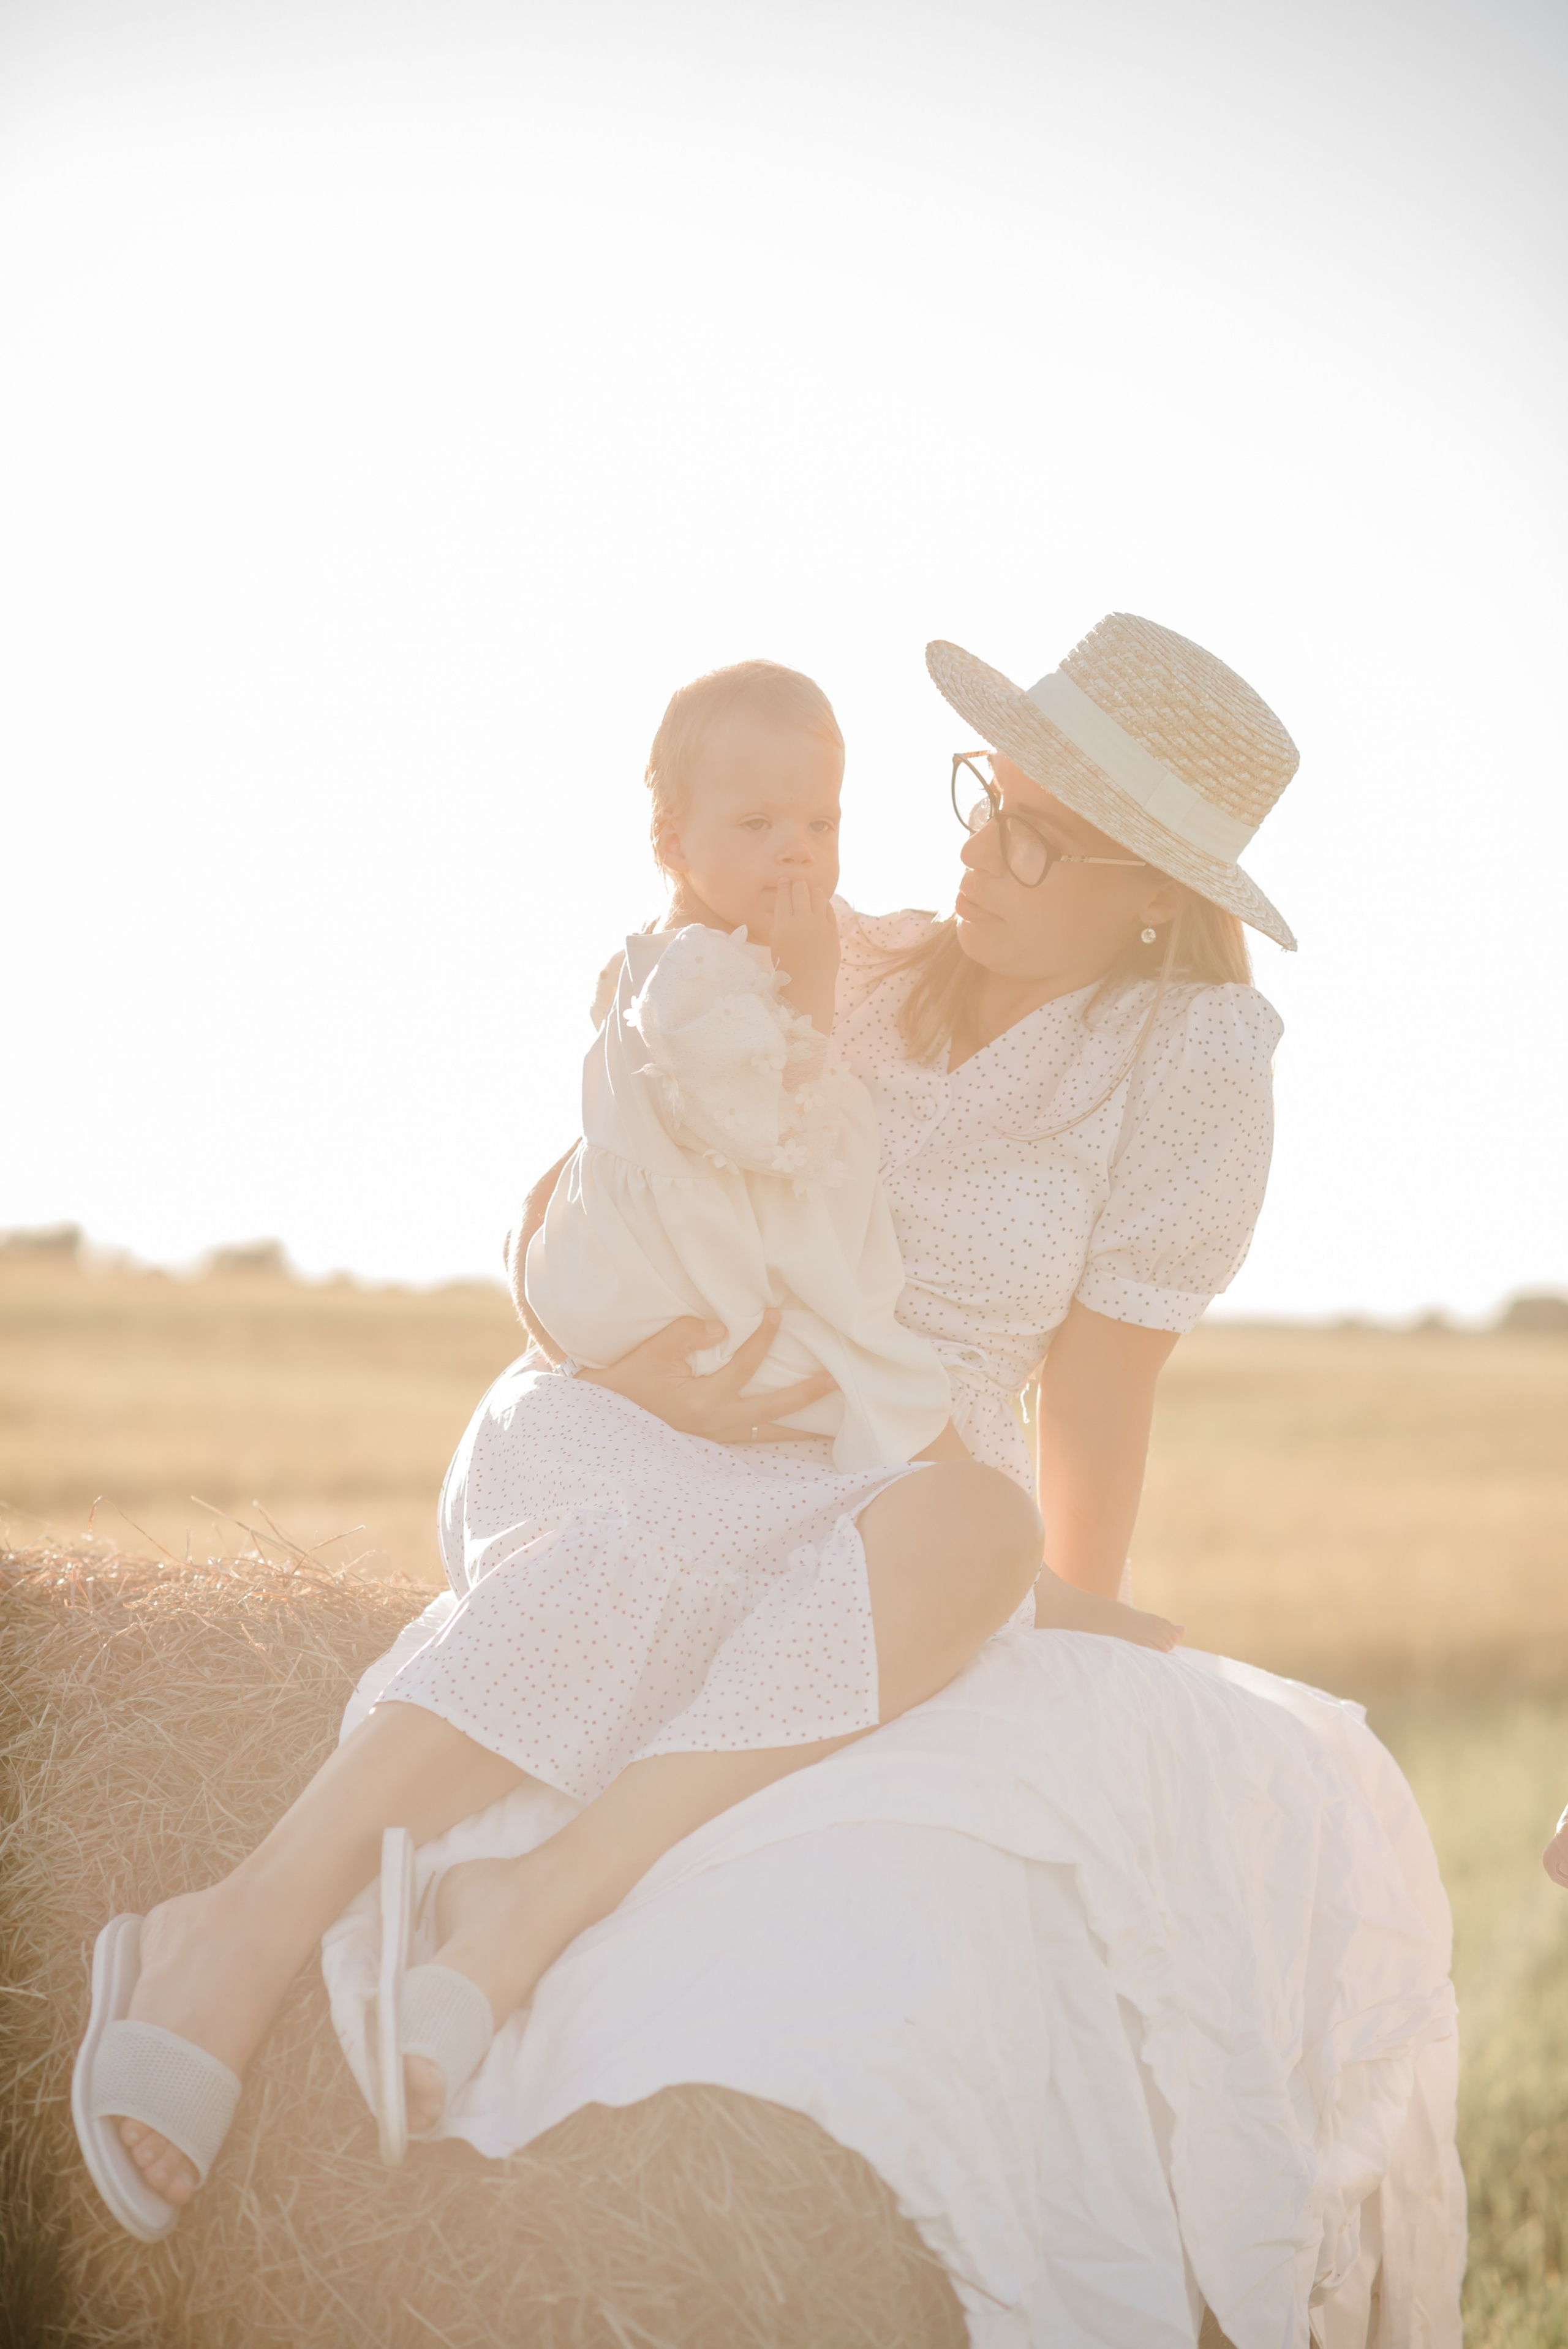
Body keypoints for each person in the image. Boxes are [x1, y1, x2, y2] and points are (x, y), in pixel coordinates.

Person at [72, 636, 1181, 2242]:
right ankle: (224, 1930)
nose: (965, 852)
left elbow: (1102, 1382)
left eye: (1029, 833)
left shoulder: (1182, 1064)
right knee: (642, 1550)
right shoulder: (818, 937)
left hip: (874, 1456)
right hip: (654, 1411)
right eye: (975, 798)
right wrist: (629, 1355)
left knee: (981, 1535)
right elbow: (571, 1190)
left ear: (1151, 893)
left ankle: (529, 1895)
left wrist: (1080, 1594)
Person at [524, 657, 958, 1469]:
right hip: (684, 1288)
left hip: (668, 1261)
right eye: (758, 825)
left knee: (878, 1389)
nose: (796, 853)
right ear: (671, 840)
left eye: (819, 826)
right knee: (877, 1382)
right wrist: (813, 986)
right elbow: (772, 1132)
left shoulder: (686, 959)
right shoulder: (696, 979)